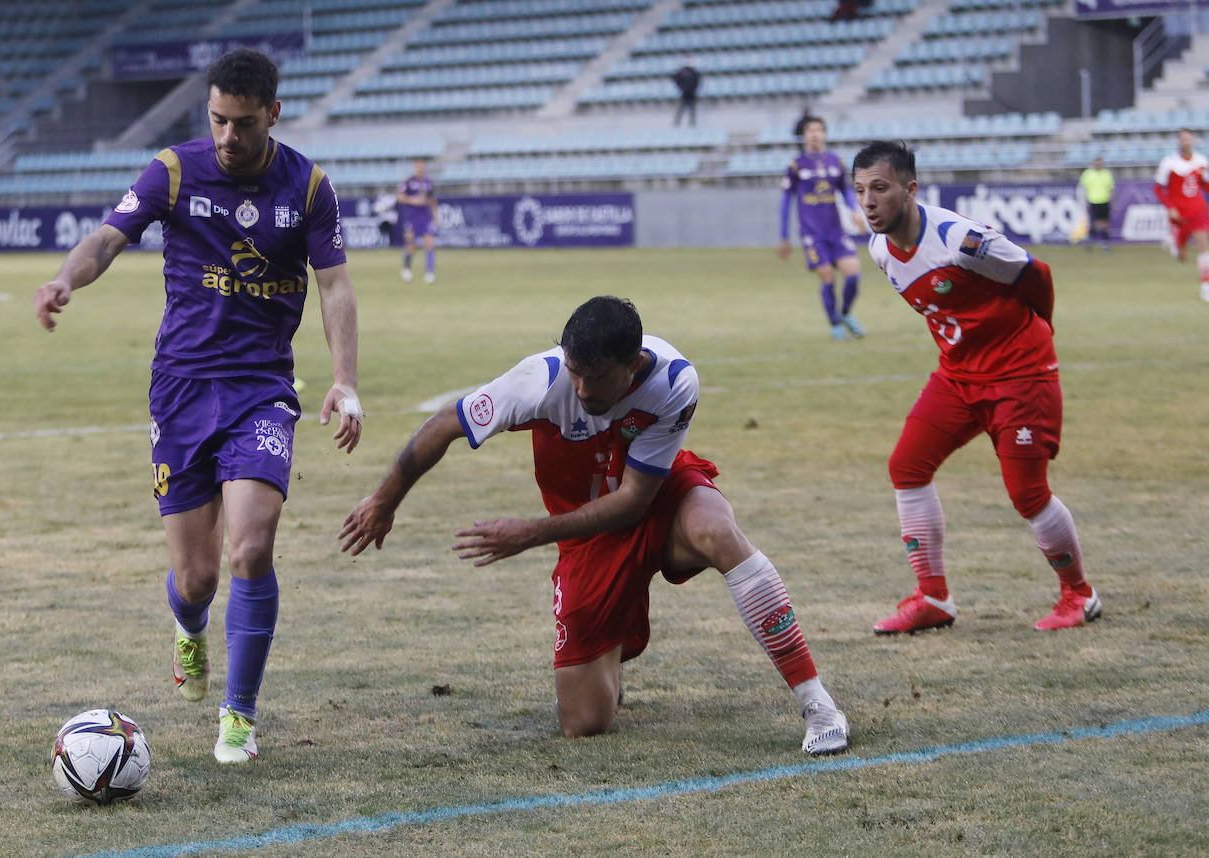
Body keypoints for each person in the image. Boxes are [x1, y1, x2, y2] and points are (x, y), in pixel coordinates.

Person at [33, 47, 364, 763]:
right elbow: (108, 238)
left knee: (249, 547)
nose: (227, 136)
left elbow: (335, 286)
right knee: (198, 578)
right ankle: (189, 629)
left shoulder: (308, 187)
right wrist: (65, 278)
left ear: (272, 114)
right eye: (216, 119)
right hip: (181, 389)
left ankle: (239, 717)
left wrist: (345, 378)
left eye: (242, 123)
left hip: (262, 392)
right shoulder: (174, 170)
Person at [340, 296, 850, 755]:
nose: (581, 389)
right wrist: (385, 501)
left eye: (597, 377)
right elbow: (446, 425)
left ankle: (818, 705)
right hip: (586, 538)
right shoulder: (539, 382)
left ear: (632, 366)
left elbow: (633, 501)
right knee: (584, 723)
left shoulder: (674, 382)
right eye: (574, 372)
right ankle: (614, 640)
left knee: (717, 531)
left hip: (651, 497)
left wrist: (531, 532)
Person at [851, 140, 1100, 634]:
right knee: (907, 467)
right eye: (860, 191)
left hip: (1020, 375)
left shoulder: (961, 240)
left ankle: (1080, 594)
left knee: (1027, 493)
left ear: (910, 189)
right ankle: (933, 599)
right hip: (959, 376)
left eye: (880, 188)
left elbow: (1036, 275)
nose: (868, 202)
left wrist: (1039, 337)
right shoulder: (881, 249)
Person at [777, 117, 868, 340]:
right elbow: (786, 201)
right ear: (805, 136)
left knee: (853, 274)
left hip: (836, 232)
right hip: (812, 234)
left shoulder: (836, 162)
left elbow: (846, 191)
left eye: (819, 130)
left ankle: (845, 313)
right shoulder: (797, 165)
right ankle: (835, 324)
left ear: (825, 134)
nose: (815, 134)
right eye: (810, 131)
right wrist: (784, 236)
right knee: (827, 277)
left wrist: (855, 209)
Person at [1153, 128, 1209, 302]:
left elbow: (1204, 184)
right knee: (1182, 257)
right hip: (1178, 214)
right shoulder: (1169, 163)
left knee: (1204, 246)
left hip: (1198, 210)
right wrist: (1170, 207)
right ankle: (1176, 246)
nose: (1186, 142)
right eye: (1183, 139)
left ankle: (1206, 286)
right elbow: (1158, 188)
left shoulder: (1201, 161)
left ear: (1192, 141)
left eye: (1189, 139)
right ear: (1179, 142)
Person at [397, 158, 437, 283]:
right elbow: (400, 197)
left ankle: (430, 273)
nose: (420, 168)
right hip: (412, 217)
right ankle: (406, 268)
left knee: (429, 242)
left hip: (425, 217)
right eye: (418, 166)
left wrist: (435, 216)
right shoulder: (409, 182)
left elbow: (432, 200)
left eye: (422, 166)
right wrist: (413, 200)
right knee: (411, 245)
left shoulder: (428, 183)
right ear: (415, 168)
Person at [1076, 156, 1114, 252]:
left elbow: (1111, 189)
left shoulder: (1107, 174)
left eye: (1100, 163)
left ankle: (1102, 243)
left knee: (1106, 224)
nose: (1098, 164)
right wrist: (1084, 201)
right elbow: (1082, 189)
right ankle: (1094, 239)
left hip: (1105, 201)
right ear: (1093, 164)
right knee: (1098, 224)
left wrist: (1113, 201)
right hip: (1094, 201)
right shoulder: (1088, 174)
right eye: (1096, 163)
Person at [671, 56, 700, 128]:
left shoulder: (694, 72)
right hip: (685, 93)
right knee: (681, 109)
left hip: (692, 93)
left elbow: (697, 81)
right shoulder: (683, 71)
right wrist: (681, 86)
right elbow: (675, 77)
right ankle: (676, 125)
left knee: (692, 110)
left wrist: (693, 88)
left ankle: (692, 125)